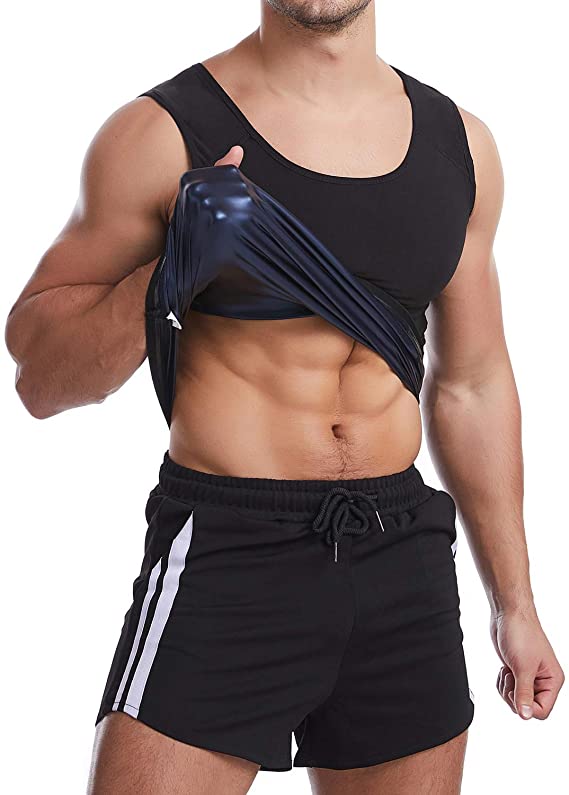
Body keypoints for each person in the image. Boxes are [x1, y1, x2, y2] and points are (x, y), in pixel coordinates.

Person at [5, 1, 564, 793]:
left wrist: (514, 603)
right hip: (231, 553)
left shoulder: (459, 146)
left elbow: (472, 384)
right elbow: (39, 378)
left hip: (400, 556)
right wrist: (170, 269)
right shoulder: (163, 133)